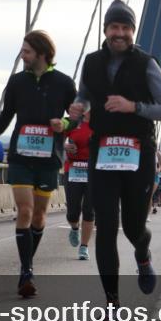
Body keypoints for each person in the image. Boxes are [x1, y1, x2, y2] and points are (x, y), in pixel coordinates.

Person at [68, 0, 161, 321]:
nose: (120, 33)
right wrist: (77, 107)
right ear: (105, 30)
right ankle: (111, 302)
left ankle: (143, 255)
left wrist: (133, 107)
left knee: (132, 227)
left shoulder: (146, 63)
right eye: (114, 27)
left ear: (133, 31)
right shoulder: (92, 62)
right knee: (106, 227)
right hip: (103, 153)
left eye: (126, 28)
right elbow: (84, 96)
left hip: (138, 153)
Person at [0, 30, 76, 298]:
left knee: (39, 216)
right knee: (24, 211)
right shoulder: (16, 82)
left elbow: (77, 117)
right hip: (21, 158)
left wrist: (66, 124)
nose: (22, 55)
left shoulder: (64, 83)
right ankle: (26, 271)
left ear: (41, 53)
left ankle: (28, 264)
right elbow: (3, 119)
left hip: (49, 159)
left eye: (26, 51)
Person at [63, 111, 94, 260]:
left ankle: (84, 247)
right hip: (73, 170)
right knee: (72, 212)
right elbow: (55, 138)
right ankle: (75, 228)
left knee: (89, 211)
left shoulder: (102, 123)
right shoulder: (73, 122)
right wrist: (66, 146)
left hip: (94, 172)